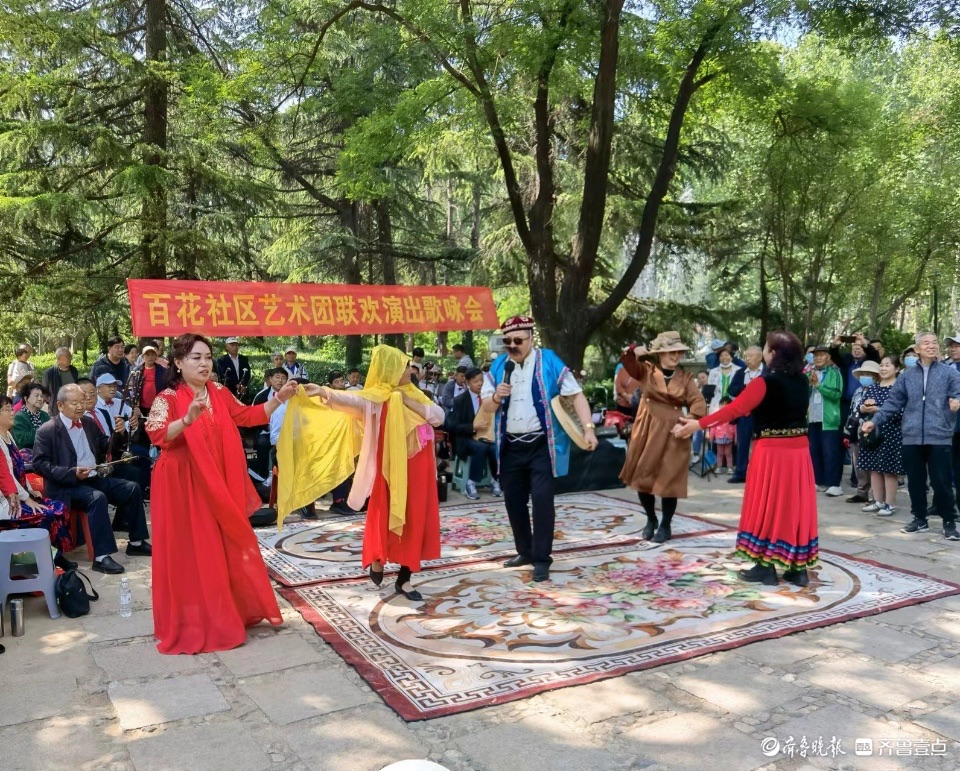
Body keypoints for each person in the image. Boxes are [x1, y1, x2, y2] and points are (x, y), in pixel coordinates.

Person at [144, 333, 298, 654]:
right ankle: (194, 618)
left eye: (207, 357)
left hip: (214, 479)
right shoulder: (168, 397)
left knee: (220, 543)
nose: (204, 363)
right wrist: (186, 420)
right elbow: (158, 433)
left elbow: (248, 416)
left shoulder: (218, 391)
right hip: (181, 482)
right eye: (195, 357)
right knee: (191, 548)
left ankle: (224, 610)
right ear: (178, 363)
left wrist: (279, 397)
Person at [280, 345, 444, 598]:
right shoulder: (376, 399)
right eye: (402, 366)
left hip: (419, 471)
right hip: (390, 471)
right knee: (384, 515)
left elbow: (438, 417)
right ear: (389, 370)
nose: (408, 370)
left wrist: (406, 400)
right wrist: (323, 391)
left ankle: (405, 578)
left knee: (415, 519)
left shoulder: (415, 393)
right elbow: (351, 400)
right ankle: (377, 556)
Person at [675, 330, 818, 586]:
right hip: (799, 453)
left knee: (767, 504)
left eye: (765, 348)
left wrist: (698, 425)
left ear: (773, 354)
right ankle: (797, 568)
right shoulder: (802, 381)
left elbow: (735, 409)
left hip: (772, 452)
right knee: (794, 505)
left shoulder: (764, 383)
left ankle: (765, 566)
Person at [478, 317, 596, 581]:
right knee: (513, 502)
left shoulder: (550, 361)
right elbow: (486, 407)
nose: (512, 345)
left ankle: (542, 558)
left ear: (531, 339)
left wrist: (588, 428)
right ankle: (525, 551)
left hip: (541, 444)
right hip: (510, 445)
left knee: (543, 501)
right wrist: (497, 396)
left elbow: (576, 395)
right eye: (507, 341)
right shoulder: (498, 366)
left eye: (518, 340)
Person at [32, 383, 152, 574]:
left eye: (82, 401)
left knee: (131, 488)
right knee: (97, 498)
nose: (80, 406)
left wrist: (118, 433)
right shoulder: (48, 430)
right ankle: (101, 557)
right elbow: (39, 464)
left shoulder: (88, 423)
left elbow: (107, 447)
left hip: (93, 478)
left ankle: (136, 542)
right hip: (68, 485)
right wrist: (71, 472)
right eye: (74, 403)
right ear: (61, 405)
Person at [861, 332, 960, 540]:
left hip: (939, 436)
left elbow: (958, 392)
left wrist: (956, 401)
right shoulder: (906, 376)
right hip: (912, 436)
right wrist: (874, 420)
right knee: (915, 481)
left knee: (941, 482)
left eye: (934, 342)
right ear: (917, 349)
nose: (931, 346)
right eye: (926, 343)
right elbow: (893, 403)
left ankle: (949, 521)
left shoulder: (949, 373)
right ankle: (919, 519)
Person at [617, 331, 706, 542]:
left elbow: (698, 402)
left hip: (674, 431)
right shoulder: (646, 370)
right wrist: (633, 349)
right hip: (646, 428)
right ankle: (651, 519)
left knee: (669, 480)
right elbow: (627, 362)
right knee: (643, 478)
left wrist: (690, 421)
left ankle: (665, 525)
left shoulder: (685, 378)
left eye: (678, 352)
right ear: (659, 354)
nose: (675, 356)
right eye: (670, 352)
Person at [0, 395, 76, 570]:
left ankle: (56, 556)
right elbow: (7, 478)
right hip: (8, 503)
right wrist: (27, 498)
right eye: (7, 409)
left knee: (59, 507)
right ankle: (37, 563)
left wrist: (30, 490)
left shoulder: (8, 435)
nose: (12, 412)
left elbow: (17, 467)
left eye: (12, 408)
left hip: (21, 495)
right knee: (46, 515)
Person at [858, 356, 903, 516]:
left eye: (887, 365)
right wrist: (864, 408)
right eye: (881, 365)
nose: (883, 368)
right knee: (873, 467)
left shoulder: (899, 388)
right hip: (871, 431)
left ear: (896, 369)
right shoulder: (873, 387)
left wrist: (879, 411)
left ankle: (890, 504)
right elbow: (861, 407)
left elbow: (900, 410)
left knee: (888, 469)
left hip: (891, 431)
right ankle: (878, 501)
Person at [447, 367, 501, 500]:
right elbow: (450, 425)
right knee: (481, 447)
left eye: (482, 380)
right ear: (467, 383)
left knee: (495, 447)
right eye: (475, 381)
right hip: (466, 438)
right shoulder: (460, 400)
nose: (480, 384)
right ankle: (471, 482)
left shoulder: (489, 398)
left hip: (487, 436)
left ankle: (495, 480)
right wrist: (472, 426)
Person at [808, 344, 843, 496]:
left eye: (822, 355)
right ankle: (819, 481)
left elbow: (836, 394)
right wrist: (810, 385)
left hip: (829, 419)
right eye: (816, 355)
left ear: (828, 357)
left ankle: (834, 484)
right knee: (814, 451)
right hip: (812, 418)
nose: (818, 358)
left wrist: (818, 385)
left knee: (830, 452)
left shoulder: (835, 373)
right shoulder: (808, 372)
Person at [842, 360, 879, 505]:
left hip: (872, 431)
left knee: (873, 464)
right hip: (855, 431)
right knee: (858, 463)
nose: (865, 376)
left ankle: (877, 495)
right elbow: (852, 411)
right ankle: (861, 492)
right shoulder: (858, 391)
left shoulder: (879, 390)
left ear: (875, 376)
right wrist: (847, 431)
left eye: (868, 374)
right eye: (863, 374)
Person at [727, 346, 765, 483]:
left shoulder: (767, 372)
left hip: (762, 415)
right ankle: (740, 473)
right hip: (744, 414)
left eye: (751, 356)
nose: (747, 359)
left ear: (760, 357)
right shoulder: (741, 373)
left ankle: (760, 474)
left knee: (761, 445)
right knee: (742, 444)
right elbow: (731, 390)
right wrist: (745, 388)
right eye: (746, 356)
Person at [12, 382, 49, 450]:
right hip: (28, 457)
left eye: (41, 396)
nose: (40, 399)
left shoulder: (45, 415)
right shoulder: (19, 417)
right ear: (26, 398)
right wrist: (44, 431)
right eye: (36, 395)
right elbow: (22, 440)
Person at [42, 347, 79, 415]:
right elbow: (44, 391)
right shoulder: (49, 373)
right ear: (59, 359)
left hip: (73, 406)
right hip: (56, 409)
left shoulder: (74, 370)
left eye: (70, 356)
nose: (70, 358)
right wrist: (51, 401)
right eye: (67, 357)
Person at [706, 347, 741, 412]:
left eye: (727, 355)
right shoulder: (713, 371)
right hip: (716, 405)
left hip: (734, 403)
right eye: (721, 356)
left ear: (731, 357)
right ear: (719, 358)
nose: (724, 357)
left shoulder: (739, 370)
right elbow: (710, 390)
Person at [711, 396, 736, 473]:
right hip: (719, 437)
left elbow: (735, 427)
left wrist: (736, 438)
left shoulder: (732, 415)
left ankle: (730, 467)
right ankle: (719, 467)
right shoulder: (717, 414)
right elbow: (713, 426)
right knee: (719, 453)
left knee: (728, 453)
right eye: (722, 404)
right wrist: (711, 436)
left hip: (729, 437)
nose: (723, 406)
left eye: (726, 404)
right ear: (719, 405)